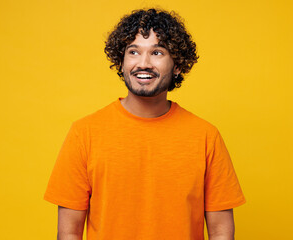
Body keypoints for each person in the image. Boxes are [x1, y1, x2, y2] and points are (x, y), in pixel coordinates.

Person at [44, 8, 246, 240]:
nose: (144, 63)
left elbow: (221, 232)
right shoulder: (84, 133)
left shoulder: (206, 136)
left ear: (178, 65)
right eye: (133, 51)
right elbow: (69, 232)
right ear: (121, 62)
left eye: (157, 53)